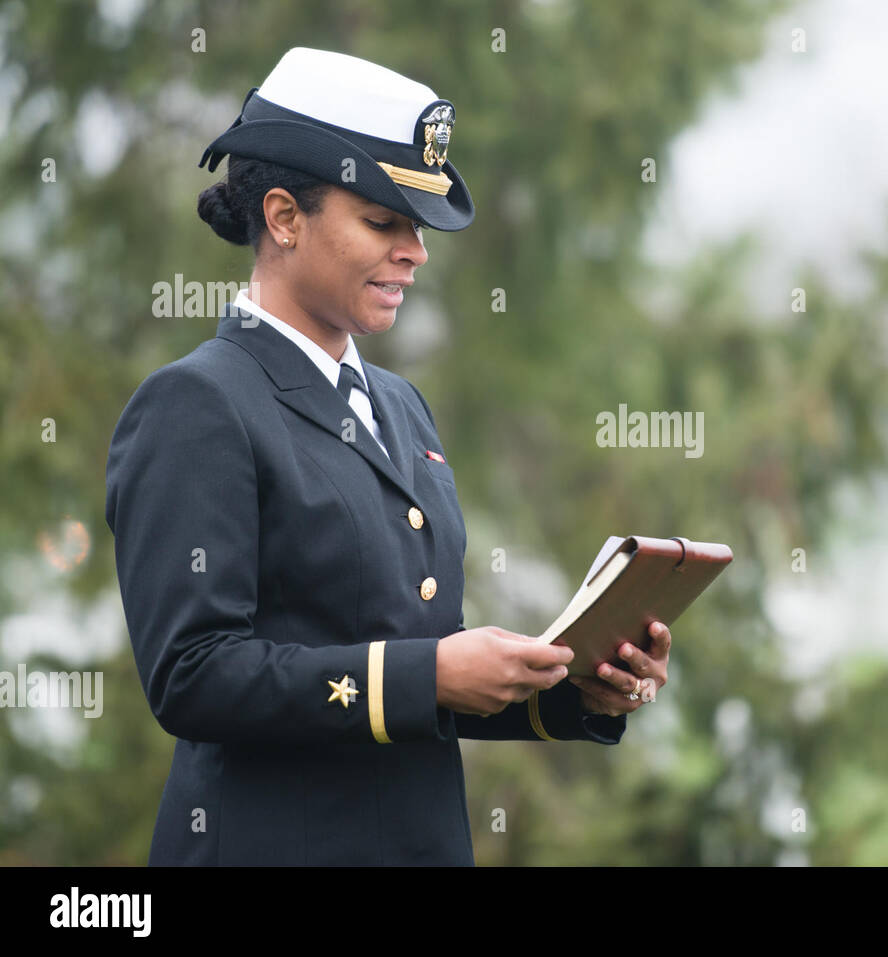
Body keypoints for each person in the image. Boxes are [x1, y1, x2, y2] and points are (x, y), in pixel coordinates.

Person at [104, 47, 671, 865]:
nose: (417, 251)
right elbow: (194, 676)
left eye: (418, 225)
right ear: (283, 216)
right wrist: (429, 676)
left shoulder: (400, 405)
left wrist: (573, 684)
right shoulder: (197, 404)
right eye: (383, 221)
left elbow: (416, 655)